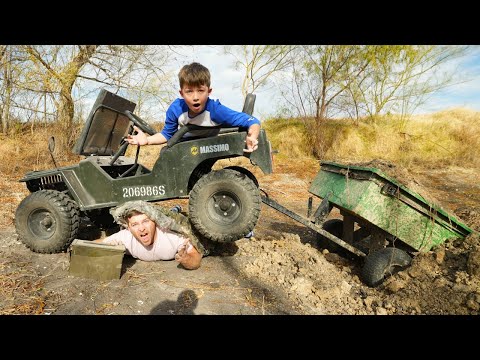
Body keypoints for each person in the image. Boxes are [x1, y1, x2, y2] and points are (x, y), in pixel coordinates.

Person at [126, 62, 261, 153]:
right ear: (181, 93)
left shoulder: (215, 110)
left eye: (201, 91)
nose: (195, 97)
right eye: (189, 91)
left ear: (209, 91)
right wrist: (147, 140)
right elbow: (167, 134)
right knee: (166, 153)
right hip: (184, 146)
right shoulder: (176, 109)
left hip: (206, 147)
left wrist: (252, 136)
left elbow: (251, 121)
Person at [94, 201, 204, 270]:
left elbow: (196, 259)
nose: (141, 228)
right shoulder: (125, 237)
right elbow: (92, 244)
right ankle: (176, 207)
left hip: (169, 219)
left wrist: (186, 259)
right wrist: (107, 247)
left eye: (146, 221)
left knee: (173, 213)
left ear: (155, 222)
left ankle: (177, 208)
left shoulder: (172, 236)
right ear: (129, 227)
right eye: (135, 224)